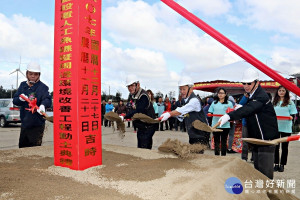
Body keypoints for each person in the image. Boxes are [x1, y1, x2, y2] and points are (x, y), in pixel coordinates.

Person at [218, 67, 279, 179]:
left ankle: (268, 195)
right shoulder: (252, 95)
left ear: (257, 82)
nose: (246, 85)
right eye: (244, 83)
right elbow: (251, 109)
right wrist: (241, 107)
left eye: (249, 83)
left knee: (265, 173)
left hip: (266, 139)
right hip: (257, 138)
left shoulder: (261, 95)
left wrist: (229, 116)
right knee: (257, 171)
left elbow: (250, 109)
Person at [160, 76, 210, 146]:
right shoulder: (185, 100)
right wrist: (175, 115)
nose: (182, 92)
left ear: (191, 89)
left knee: (197, 155)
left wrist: (169, 114)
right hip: (193, 133)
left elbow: (182, 110)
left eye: (184, 89)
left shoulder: (194, 100)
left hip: (200, 134)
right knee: (193, 154)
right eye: (180, 89)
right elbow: (183, 115)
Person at [13, 62, 52, 148]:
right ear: (27, 74)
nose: (33, 76)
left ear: (39, 75)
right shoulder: (23, 85)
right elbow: (15, 100)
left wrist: (43, 105)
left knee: (34, 151)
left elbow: (48, 100)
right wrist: (20, 99)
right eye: (30, 74)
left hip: (37, 126)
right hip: (25, 125)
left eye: (35, 74)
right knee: (22, 149)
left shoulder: (43, 87)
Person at [124, 78, 156, 149]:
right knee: (140, 148)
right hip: (142, 126)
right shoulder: (134, 95)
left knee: (144, 149)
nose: (130, 88)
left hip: (148, 126)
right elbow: (133, 108)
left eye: (132, 86)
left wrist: (124, 117)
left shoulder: (143, 96)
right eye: (128, 86)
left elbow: (138, 111)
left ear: (138, 85)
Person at [273, 86, 297, 172]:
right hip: (276, 127)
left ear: (286, 92)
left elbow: (293, 114)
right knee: (276, 146)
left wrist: (291, 117)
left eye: (283, 90)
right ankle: (276, 164)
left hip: (286, 127)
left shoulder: (290, 103)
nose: (281, 92)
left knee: (285, 147)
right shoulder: (274, 102)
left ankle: (282, 164)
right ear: (277, 92)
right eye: (280, 90)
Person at [208, 88, 233, 156]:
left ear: (225, 94)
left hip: (225, 125)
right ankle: (216, 156)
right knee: (216, 141)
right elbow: (210, 111)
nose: (220, 94)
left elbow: (232, 113)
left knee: (224, 142)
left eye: (222, 93)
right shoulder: (214, 103)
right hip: (215, 125)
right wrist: (210, 114)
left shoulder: (229, 103)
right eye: (219, 93)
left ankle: (223, 157)